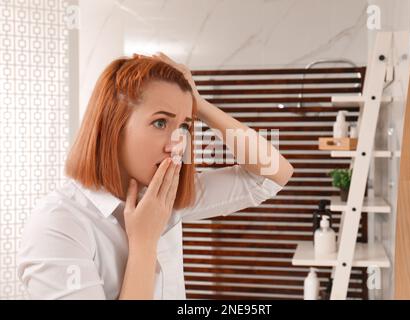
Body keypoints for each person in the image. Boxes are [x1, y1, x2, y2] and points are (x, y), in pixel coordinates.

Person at [16, 52, 294, 299]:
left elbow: (272, 174)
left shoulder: (164, 195)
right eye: (160, 122)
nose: (176, 143)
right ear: (113, 125)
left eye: (184, 127)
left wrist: (199, 104)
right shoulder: (58, 226)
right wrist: (145, 242)